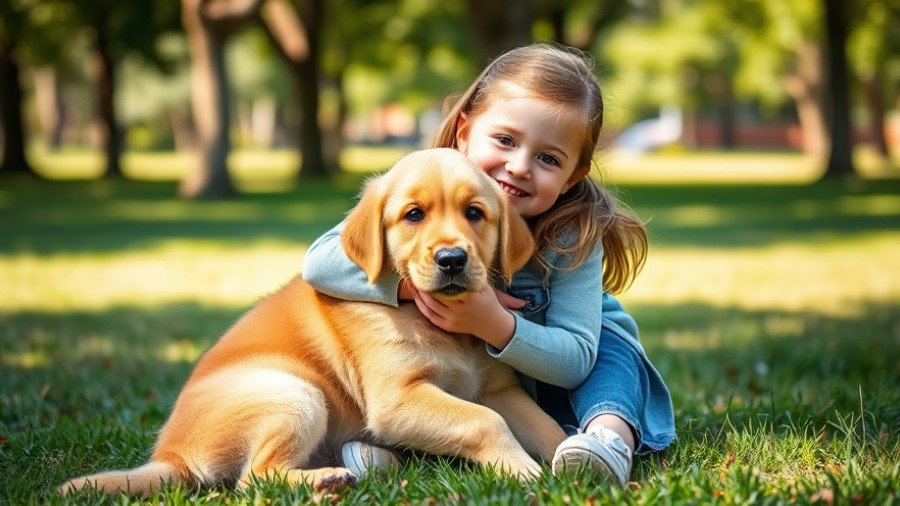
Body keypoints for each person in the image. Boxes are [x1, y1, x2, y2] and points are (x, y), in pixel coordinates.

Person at [302, 43, 675, 487]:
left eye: (548, 158)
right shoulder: (427, 181)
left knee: (613, 352)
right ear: (464, 132)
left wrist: (493, 322)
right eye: (505, 140)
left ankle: (605, 442)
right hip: (501, 387)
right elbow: (321, 262)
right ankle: (397, 452)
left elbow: (575, 360)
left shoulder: (573, 236)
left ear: (573, 176)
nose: (519, 167)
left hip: (567, 367)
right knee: (439, 380)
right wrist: (410, 286)